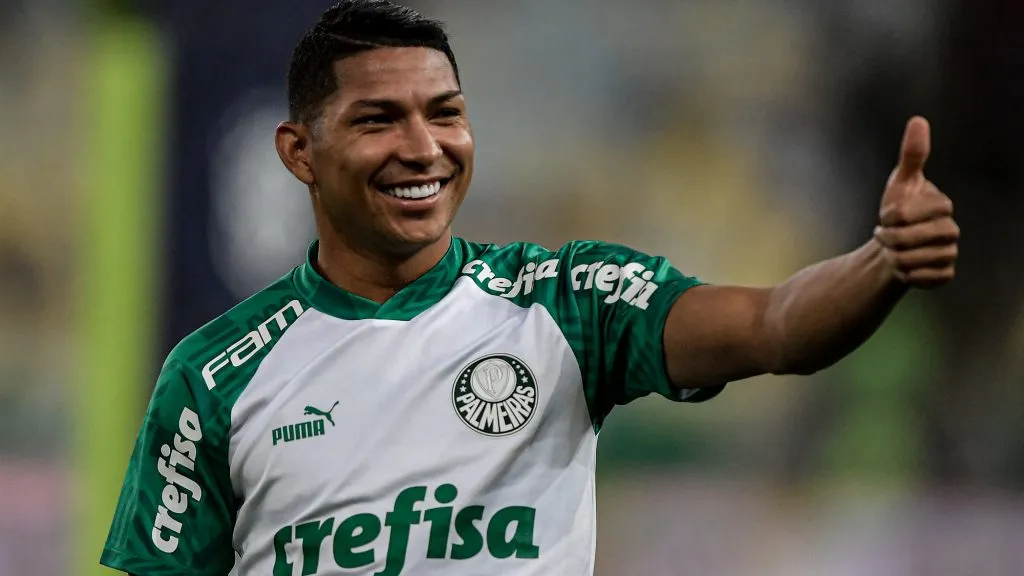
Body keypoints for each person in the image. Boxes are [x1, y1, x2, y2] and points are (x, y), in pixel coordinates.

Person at [99, 1, 960, 575]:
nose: (424, 147)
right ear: (299, 153)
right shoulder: (212, 375)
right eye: (378, 120)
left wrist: (881, 262)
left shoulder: (567, 303)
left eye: (445, 113)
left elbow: (775, 328)